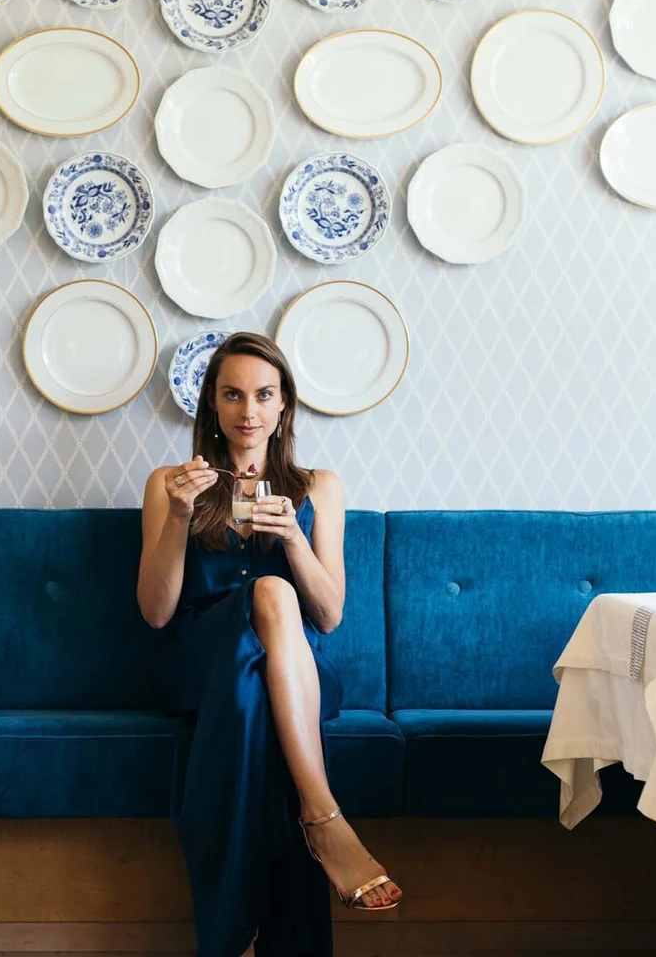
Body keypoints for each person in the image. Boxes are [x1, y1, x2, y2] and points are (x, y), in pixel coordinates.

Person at [138, 332, 402, 957]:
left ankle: (236, 936)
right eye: (232, 395)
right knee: (269, 600)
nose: (248, 411)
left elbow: (330, 616)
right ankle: (323, 816)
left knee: (267, 646)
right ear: (212, 406)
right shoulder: (169, 483)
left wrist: (293, 543)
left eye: (263, 395)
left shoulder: (320, 487)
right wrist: (179, 517)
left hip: (296, 671)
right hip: (195, 661)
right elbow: (155, 613)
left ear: (284, 406)